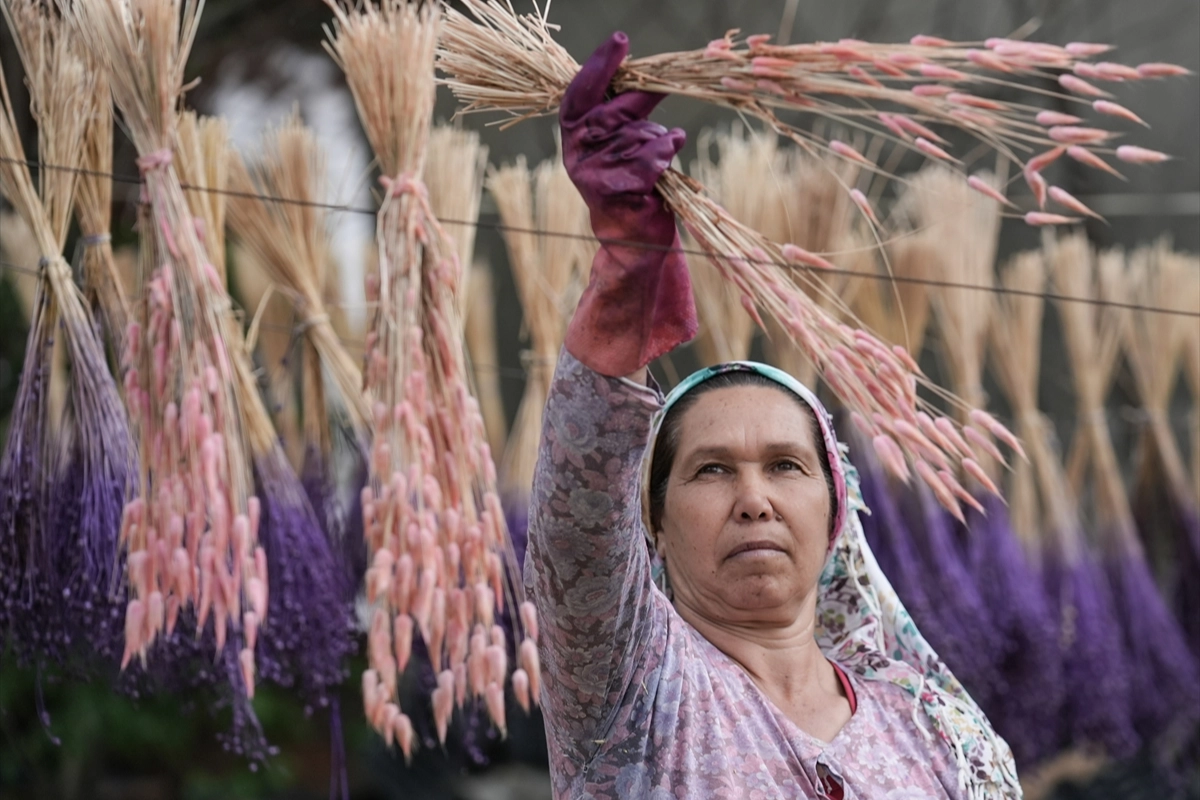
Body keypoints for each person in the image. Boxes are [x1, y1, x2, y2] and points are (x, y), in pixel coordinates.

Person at [524, 32, 1021, 800]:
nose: (753, 498)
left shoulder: (932, 733)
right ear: (651, 521)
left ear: (833, 514)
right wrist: (625, 268)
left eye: (786, 465)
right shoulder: (633, 694)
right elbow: (577, 526)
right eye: (711, 469)